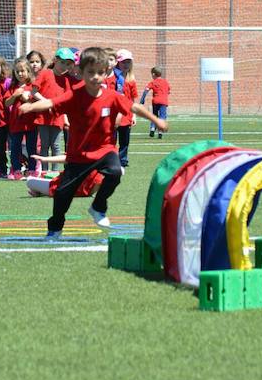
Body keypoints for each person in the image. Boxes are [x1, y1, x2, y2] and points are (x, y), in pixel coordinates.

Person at [19, 46, 167, 238]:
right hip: (78, 155)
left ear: (106, 73)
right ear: (80, 72)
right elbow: (50, 103)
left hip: (104, 150)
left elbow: (135, 107)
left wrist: (156, 120)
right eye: (90, 72)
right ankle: (55, 228)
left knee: (115, 171)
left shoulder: (112, 96)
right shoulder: (74, 95)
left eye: (100, 72)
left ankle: (98, 206)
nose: (95, 77)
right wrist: (30, 106)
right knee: (63, 195)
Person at [33, 47, 74, 171]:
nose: (64, 66)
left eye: (67, 64)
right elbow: (34, 91)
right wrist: (47, 103)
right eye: (62, 62)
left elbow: (66, 100)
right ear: (55, 60)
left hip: (58, 118)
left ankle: (55, 172)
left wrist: (65, 117)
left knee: (56, 146)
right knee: (44, 145)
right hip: (43, 117)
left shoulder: (66, 80)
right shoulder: (45, 73)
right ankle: (44, 171)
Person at [5, 57, 38, 179]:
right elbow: (7, 103)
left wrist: (28, 98)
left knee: (31, 147)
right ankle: (16, 169)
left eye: (22, 71)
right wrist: (15, 95)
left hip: (31, 122)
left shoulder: (33, 86)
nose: (20, 74)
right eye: (17, 71)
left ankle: (32, 169)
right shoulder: (13, 86)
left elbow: (37, 100)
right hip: (16, 122)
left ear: (29, 71)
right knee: (15, 147)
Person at [26, 154, 105, 199]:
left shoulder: (82, 151)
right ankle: (39, 192)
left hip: (62, 188)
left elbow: (67, 158)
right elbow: (99, 181)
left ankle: (39, 192)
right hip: (86, 190)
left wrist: (44, 159)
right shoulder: (99, 157)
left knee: (29, 181)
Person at [115, 49, 138, 167]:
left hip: (126, 115)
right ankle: (111, 160)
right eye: (123, 62)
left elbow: (133, 99)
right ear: (118, 62)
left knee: (125, 140)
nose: (126, 65)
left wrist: (134, 115)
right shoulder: (113, 77)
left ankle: (123, 159)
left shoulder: (131, 80)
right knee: (111, 140)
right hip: (114, 115)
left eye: (128, 62)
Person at [141, 66, 170, 139]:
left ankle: (152, 129)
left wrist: (142, 100)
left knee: (154, 116)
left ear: (153, 74)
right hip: (164, 101)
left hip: (156, 101)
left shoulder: (153, 82)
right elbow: (169, 90)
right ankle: (160, 132)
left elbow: (146, 90)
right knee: (162, 116)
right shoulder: (165, 82)